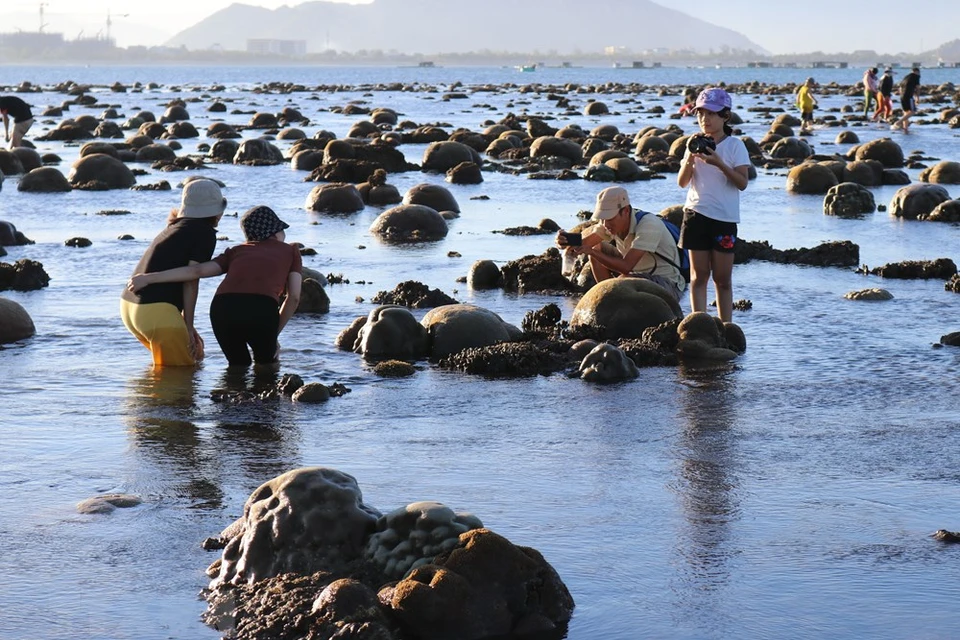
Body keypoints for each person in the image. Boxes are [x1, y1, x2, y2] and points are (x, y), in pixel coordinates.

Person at [128, 205, 302, 370]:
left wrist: (149, 278)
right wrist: (273, 334)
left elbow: (197, 270)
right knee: (267, 367)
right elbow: (293, 297)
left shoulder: (236, 251)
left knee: (237, 367)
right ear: (276, 232)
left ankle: (227, 399)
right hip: (261, 308)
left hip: (223, 310)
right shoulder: (291, 250)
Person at [121, 179, 226, 367]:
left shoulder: (173, 227)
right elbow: (192, 278)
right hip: (156, 312)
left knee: (173, 372)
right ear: (217, 211)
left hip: (130, 307)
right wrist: (188, 326)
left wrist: (187, 324)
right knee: (180, 379)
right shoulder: (204, 233)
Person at [676, 87, 751, 323]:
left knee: (722, 279)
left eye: (711, 114)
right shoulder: (694, 143)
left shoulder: (735, 146)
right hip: (696, 215)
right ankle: (699, 324)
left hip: (724, 219)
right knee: (698, 277)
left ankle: (726, 326)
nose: (705, 119)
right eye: (700, 114)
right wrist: (689, 157)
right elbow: (682, 182)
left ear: (725, 116)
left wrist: (718, 162)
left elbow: (742, 183)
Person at [555, 186, 686, 302]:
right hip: (637, 274)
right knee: (596, 247)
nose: (606, 224)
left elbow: (626, 267)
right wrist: (565, 242)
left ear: (626, 211)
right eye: (602, 218)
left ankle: (612, 296)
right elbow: (584, 244)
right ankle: (608, 300)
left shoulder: (649, 225)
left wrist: (592, 252)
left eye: (610, 218)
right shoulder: (609, 224)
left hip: (667, 283)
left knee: (622, 279)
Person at [891, 67, 921, 133]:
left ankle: (905, 129)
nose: (919, 74)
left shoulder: (906, 77)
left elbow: (900, 88)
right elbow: (918, 88)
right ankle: (898, 122)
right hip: (908, 96)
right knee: (913, 111)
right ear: (917, 72)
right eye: (919, 72)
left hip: (902, 96)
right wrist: (917, 98)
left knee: (906, 112)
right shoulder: (916, 77)